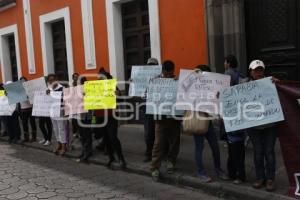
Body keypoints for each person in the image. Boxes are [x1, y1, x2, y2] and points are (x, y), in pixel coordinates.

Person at [192, 65, 229, 183]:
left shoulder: (212, 87)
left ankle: (218, 169)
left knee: (215, 146)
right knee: (199, 147)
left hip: (208, 122)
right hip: (197, 120)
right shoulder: (193, 85)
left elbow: (217, 100)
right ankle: (200, 172)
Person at [247, 60, 278, 192]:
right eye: (256, 70)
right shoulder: (244, 86)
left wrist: (279, 84)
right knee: (258, 152)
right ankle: (260, 178)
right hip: (253, 127)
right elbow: (230, 97)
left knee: (269, 152)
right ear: (251, 72)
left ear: (263, 71)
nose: (258, 73)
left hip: (270, 125)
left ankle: (270, 179)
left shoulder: (272, 83)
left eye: (260, 70)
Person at [150, 60, 181, 181]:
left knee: (175, 142)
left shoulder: (177, 81)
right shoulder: (155, 81)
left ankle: (171, 161)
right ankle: (154, 168)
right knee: (158, 143)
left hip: (174, 117)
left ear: (173, 71)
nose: (168, 76)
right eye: (166, 73)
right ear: (162, 71)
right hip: (160, 118)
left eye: (170, 73)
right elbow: (149, 95)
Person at [94, 68, 126, 169]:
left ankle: (121, 158)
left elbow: (121, 100)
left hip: (112, 116)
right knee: (106, 138)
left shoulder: (112, 86)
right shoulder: (95, 87)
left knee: (113, 137)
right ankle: (111, 157)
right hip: (100, 116)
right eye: (99, 78)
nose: (100, 80)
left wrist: (118, 94)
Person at [223, 56, 247, 184]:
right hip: (240, 114)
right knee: (238, 146)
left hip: (231, 114)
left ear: (228, 63)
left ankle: (237, 175)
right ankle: (235, 173)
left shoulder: (228, 74)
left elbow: (223, 93)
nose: (224, 63)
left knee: (233, 147)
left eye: (225, 61)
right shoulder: (241, 75)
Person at [46, 74, 68, 156]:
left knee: (61, 129)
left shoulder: (62, 88)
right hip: (52, 111)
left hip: (60, 111)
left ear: (56, 79)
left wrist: (66, 111)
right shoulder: (49, 89)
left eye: (52, 80)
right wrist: (47, 94)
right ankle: (59, 144)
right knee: (55, 129)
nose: (51, 82)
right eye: (49, 80)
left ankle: (64, 146)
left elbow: (66, 100)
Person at [143, 58, 159, 162]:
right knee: (149, 133)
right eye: (149, 65)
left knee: (159, 133)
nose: (151, 67)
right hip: (148, 109)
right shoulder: (143, 77)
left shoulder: (162, 76)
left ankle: (160, 153)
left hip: (159, 109)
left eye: (153, 65)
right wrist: (134, 83)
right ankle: (149, 153)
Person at [76, 76, 93, 163]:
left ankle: (88, 151)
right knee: (82, 134)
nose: (77, 83)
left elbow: (92, 102)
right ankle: (84, 150)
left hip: (87, 115)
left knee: (87, 133)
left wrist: (86, 96)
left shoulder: (89, 90)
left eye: (78, 82)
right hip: (79, 115)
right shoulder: (75, 91)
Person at [19, 77, 37, 143]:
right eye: (21, 81)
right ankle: (26, 137)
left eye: (24, 81)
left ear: (27, 81)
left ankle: (34, 137)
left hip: (30, 108)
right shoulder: (18, 90)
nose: (23, 82)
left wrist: (28, 97)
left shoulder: (30, 89)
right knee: (24, 124)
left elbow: (34, 97)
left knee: (32, 123)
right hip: (23, 109)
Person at [71, 73, 79, 138]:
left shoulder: (81, 85)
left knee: (78, 119)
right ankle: (74, 132)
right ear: (73, 78)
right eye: (75, 77)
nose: (76, 78)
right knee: (74, 120)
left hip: (79, 105)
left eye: (77, 77)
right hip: (73, 105)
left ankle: (79, 132)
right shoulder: (71, 85)